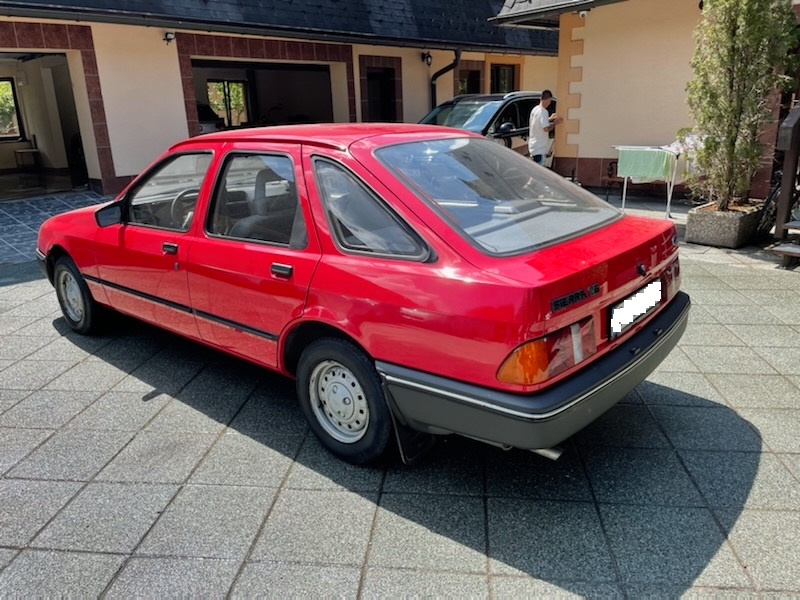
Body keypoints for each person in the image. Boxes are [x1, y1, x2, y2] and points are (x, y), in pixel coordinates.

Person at [528, 90, 563, 166]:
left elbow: (538, 122)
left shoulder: (535, 110)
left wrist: (549, 119)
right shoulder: (543, 112)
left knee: (534, 171)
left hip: (533, 146)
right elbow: (546, 128)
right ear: (548, 99)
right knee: (538, 173)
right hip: (539, 148)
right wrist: (554, 124)